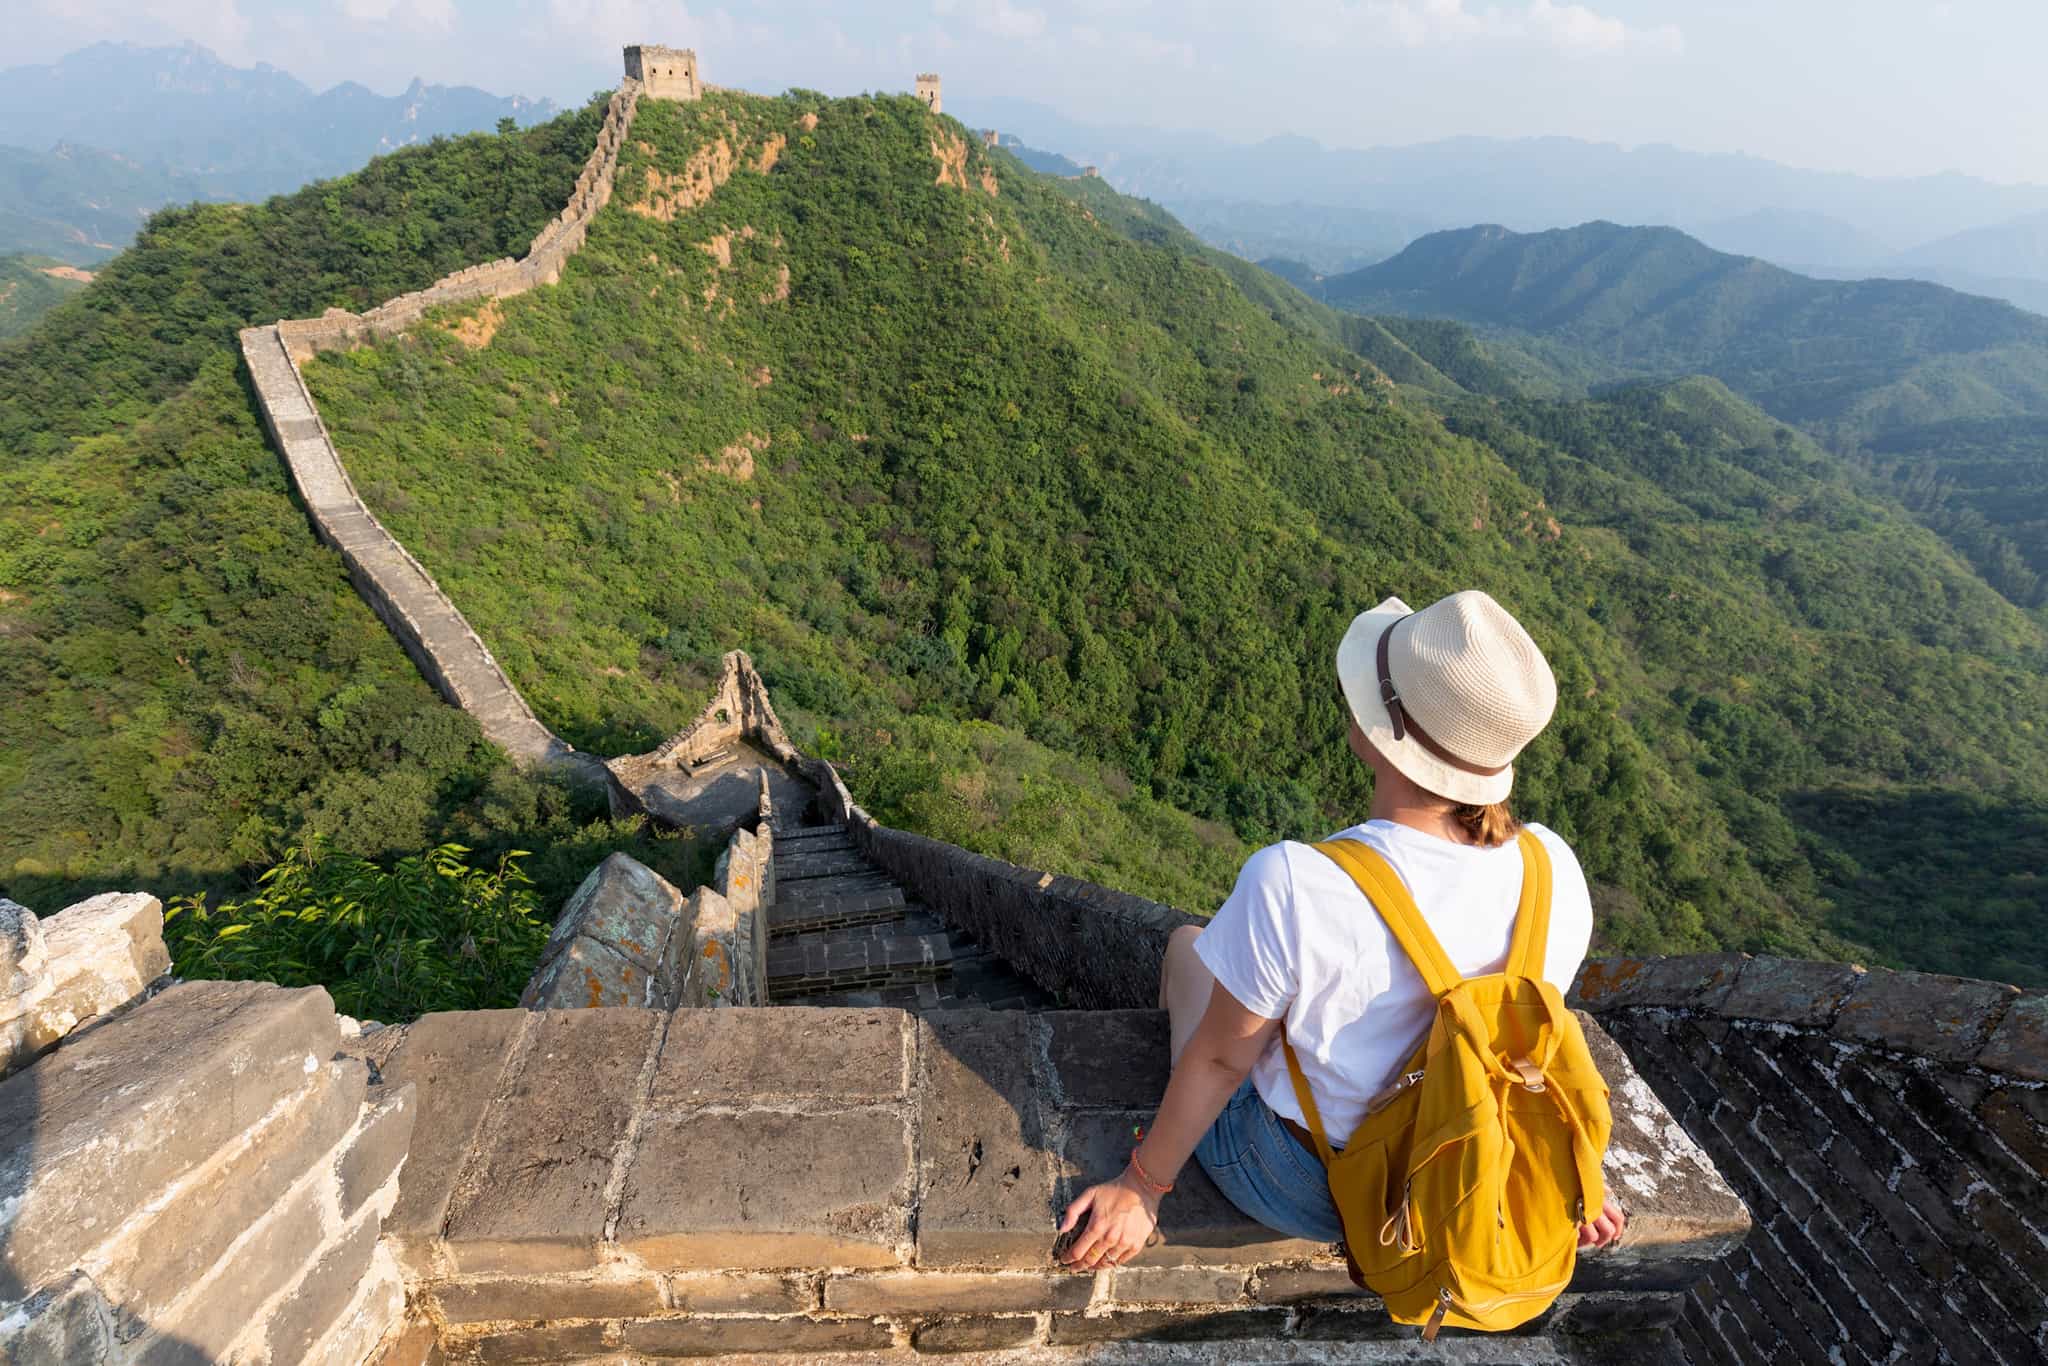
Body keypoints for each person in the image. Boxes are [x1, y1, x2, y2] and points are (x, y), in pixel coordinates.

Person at [1057, 590, 1627, 1271]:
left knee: (1186, 947)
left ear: (1384, 726)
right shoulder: (1551, 867)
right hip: (1465, 1169)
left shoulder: (1297, 881)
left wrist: (1141, 1188)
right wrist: (1560, 1162)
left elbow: (1220, 1061)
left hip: (1313, 1187)